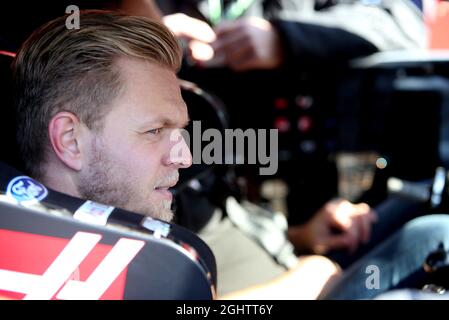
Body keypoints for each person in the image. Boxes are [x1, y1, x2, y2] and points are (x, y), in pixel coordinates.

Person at [11, 10, 449, 299]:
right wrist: (307, 280)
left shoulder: (122, 198)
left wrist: (300, 237)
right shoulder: (49, 254)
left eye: (179, 131)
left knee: (434, 233)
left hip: (291, 260)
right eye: (154, 130)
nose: (183, 157)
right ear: (70, 139)